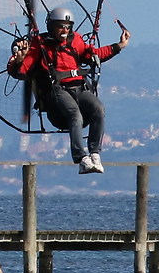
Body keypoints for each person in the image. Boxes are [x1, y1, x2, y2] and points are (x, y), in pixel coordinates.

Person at [7, 9, 128, 173]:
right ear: (51, 26)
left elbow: (94, 55)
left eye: (67, 27)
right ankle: (81, 158)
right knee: (75, 115)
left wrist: (118, 46)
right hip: (58, 91)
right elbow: (22, 71)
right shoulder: (40, 44)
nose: (64, 31)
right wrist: (18, 60)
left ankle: (94, 154)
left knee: (98, 109)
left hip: (79, 87)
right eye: (60, 27)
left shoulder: (76, 39)